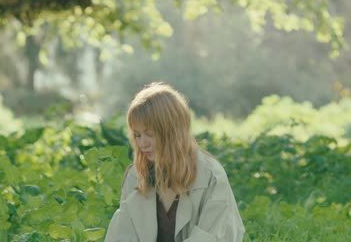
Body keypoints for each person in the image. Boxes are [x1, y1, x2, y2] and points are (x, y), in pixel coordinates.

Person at [104, 82, 245, 242]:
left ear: (172, 132)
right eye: (137, 135)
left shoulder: (211, 176)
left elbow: (215, 237)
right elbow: (122, 235)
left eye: (149, 134)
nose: (143, 143)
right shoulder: (136, 176)